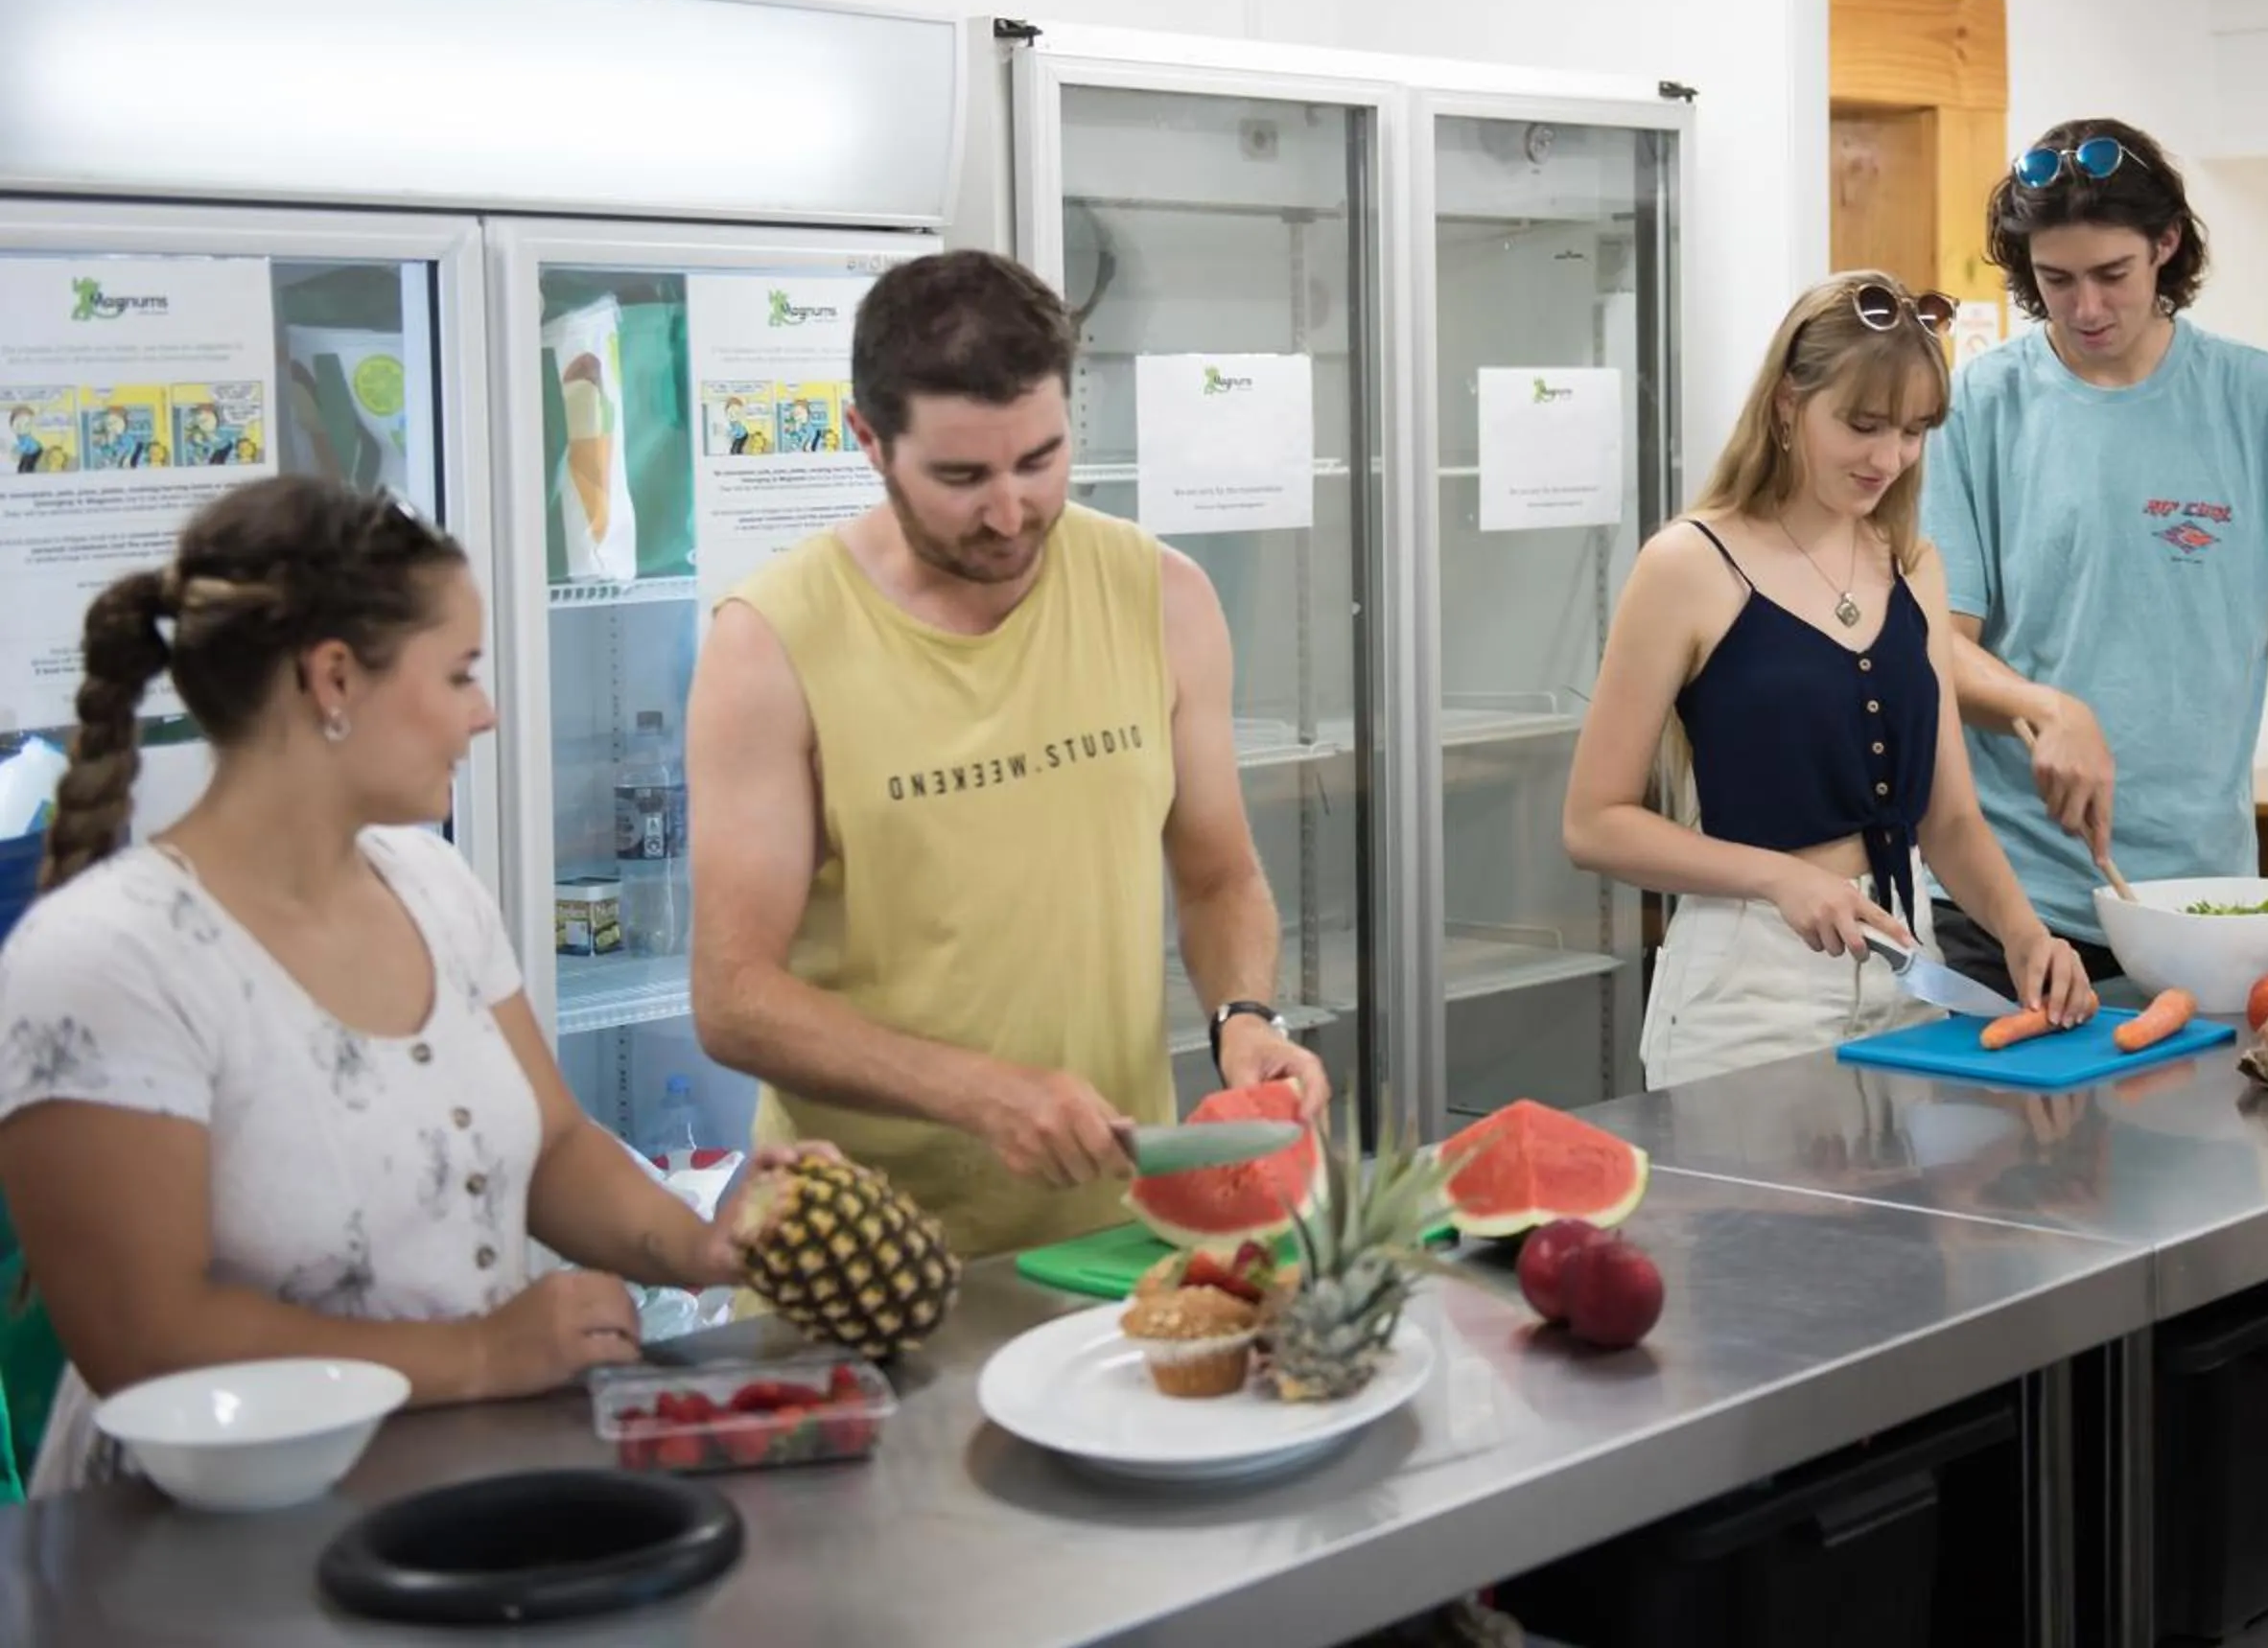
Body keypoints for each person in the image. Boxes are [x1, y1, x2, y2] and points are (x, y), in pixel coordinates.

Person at [0, 476, 815, 1497]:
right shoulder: (107, 958)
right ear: (335, 678)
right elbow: (148, 1338)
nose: (485, 713)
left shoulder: (431, 884)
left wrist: (701, 1244)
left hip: (442, 1494)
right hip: (202, 1544)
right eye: (461, 672)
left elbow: (553, 1145)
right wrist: (483, 1353)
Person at [689, 250, 1330, 1259]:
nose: (1009, 510)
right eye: (960, 475)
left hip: (1123, 1237)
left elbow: (1217, 875)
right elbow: (735, 997)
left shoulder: (1161, 595)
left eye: (1040, 460)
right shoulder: (769, 642)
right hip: (867, 1257)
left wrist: (1243, 1017)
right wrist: (982, 1092)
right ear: (868, 438)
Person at [1561, 271, 2096, 1090]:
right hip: (1748, 995)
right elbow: (1595, 823)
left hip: (1906, 972)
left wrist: (2025, 936)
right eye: (1864, 425)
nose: (1891, 458)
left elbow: (1949, 818)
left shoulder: (1913, 566)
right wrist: (1781, 877)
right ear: (1786, 403)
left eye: (1915, 430)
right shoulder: (1689, 565)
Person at [1923, 119, 2268, 991]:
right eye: (2056, 280)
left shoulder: (2261, 399)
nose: (2087, 308)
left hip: (2207, 900)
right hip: (2015, 901)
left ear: (2166, 245)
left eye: (2112, 275)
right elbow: (1935, 645)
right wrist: (2045, 707)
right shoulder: (1978, 404)